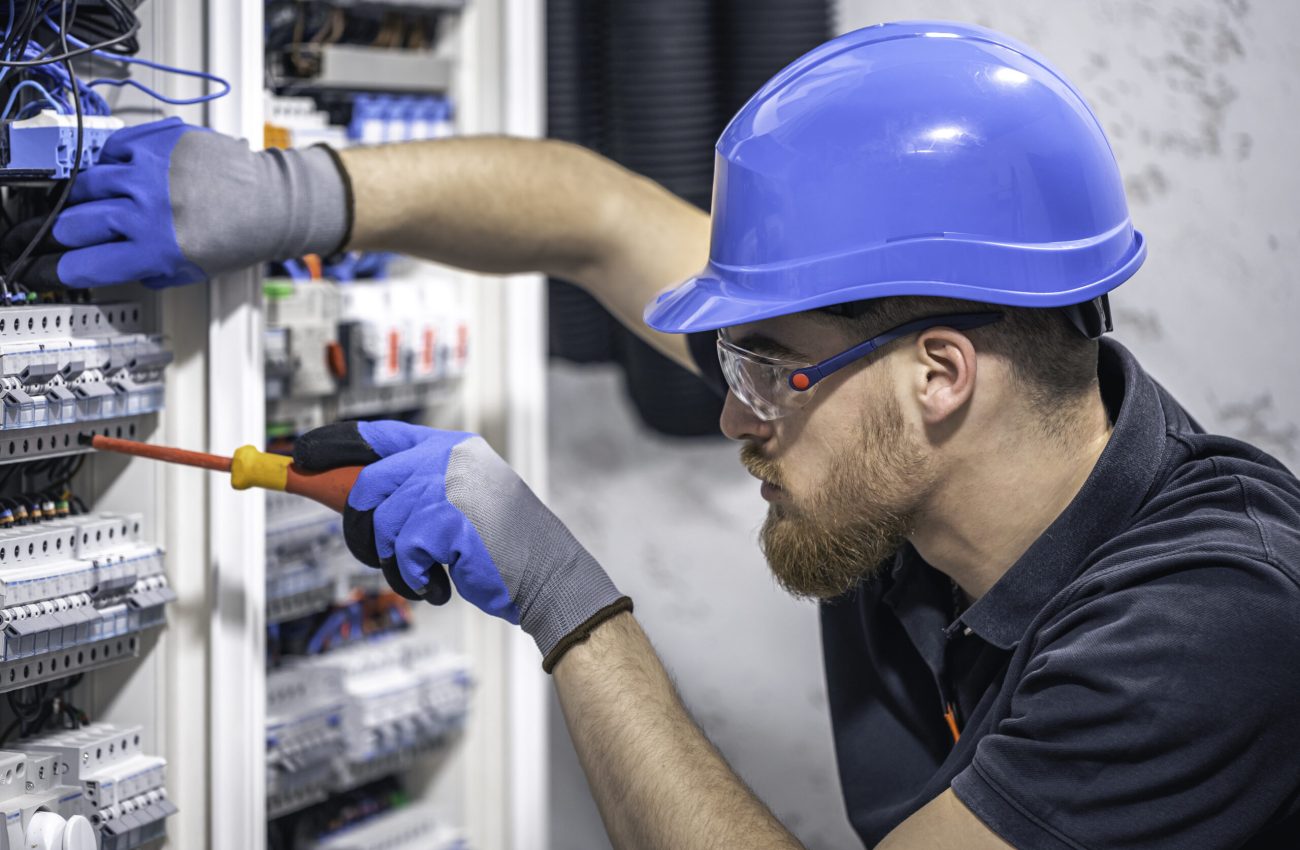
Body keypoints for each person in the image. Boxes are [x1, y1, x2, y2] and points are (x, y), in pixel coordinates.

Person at [7, 20, 1299, 850]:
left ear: (942, 376)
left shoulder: (1207, 625)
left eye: (767, 374)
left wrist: (573, 605)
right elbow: (592, 214)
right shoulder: (882, 413)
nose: (734, 412)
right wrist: (306, 192)